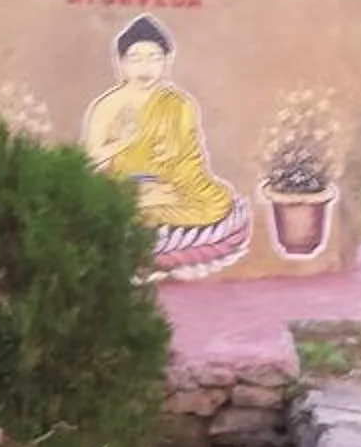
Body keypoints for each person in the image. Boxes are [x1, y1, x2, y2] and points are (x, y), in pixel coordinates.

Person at [81, 16, 251, 281]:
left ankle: (151, 236)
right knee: (116, 208)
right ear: (121, 63)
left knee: (221, 202)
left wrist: (175, 179)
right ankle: (158, 237)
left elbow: (191, 162)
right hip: (125, 187)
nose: (146, 66)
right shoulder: (107, 107)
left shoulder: (178, 104)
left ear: (166, 62)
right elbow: (89, 160)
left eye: (154, 57)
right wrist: (123, 143)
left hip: (173, 190)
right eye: (136, 58)